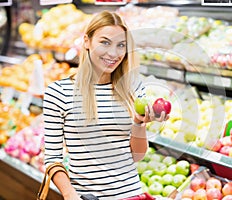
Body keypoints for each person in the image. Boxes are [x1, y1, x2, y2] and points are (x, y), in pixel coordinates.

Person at [43, 10, 168, 200]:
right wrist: (70, 194)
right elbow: (52, 159)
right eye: (105, 42)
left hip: (130, 194)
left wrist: (139, 123)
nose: (113, 53)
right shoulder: (59, 92)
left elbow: (137, 156)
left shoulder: (134, 89)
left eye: (121, 46)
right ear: (87, 41)